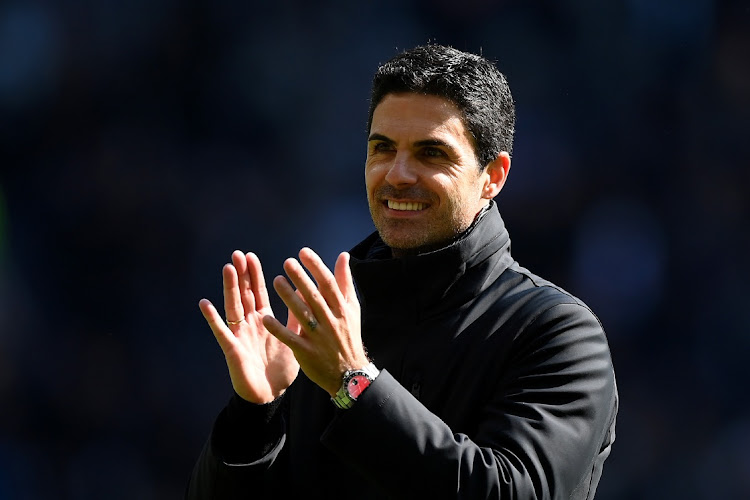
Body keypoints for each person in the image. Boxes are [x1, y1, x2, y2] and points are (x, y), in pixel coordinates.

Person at [186, 44, 618, 499]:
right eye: (383, 149)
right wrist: (257, 413)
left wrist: (354, 382)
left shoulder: (559, 333)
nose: (397, 174)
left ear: (493, 176)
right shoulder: (323, 327)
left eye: (431, 153)